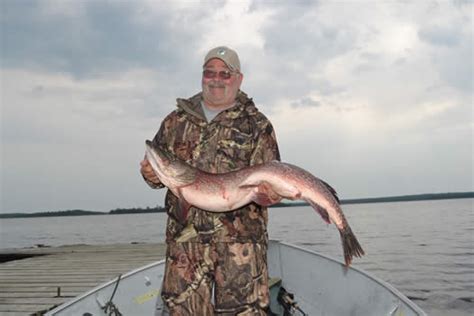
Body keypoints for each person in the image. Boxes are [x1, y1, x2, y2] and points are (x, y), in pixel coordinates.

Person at [140, 46, 280, 315]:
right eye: (209, 72)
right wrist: (149, 175)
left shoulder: (257, 125)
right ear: (202, 76)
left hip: (242, 246)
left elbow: (270, 181)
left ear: (238, 78)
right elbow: (161, 175)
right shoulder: (175, 121)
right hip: (186, 246)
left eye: (225, 74)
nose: (216, 79)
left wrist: (271, 193)